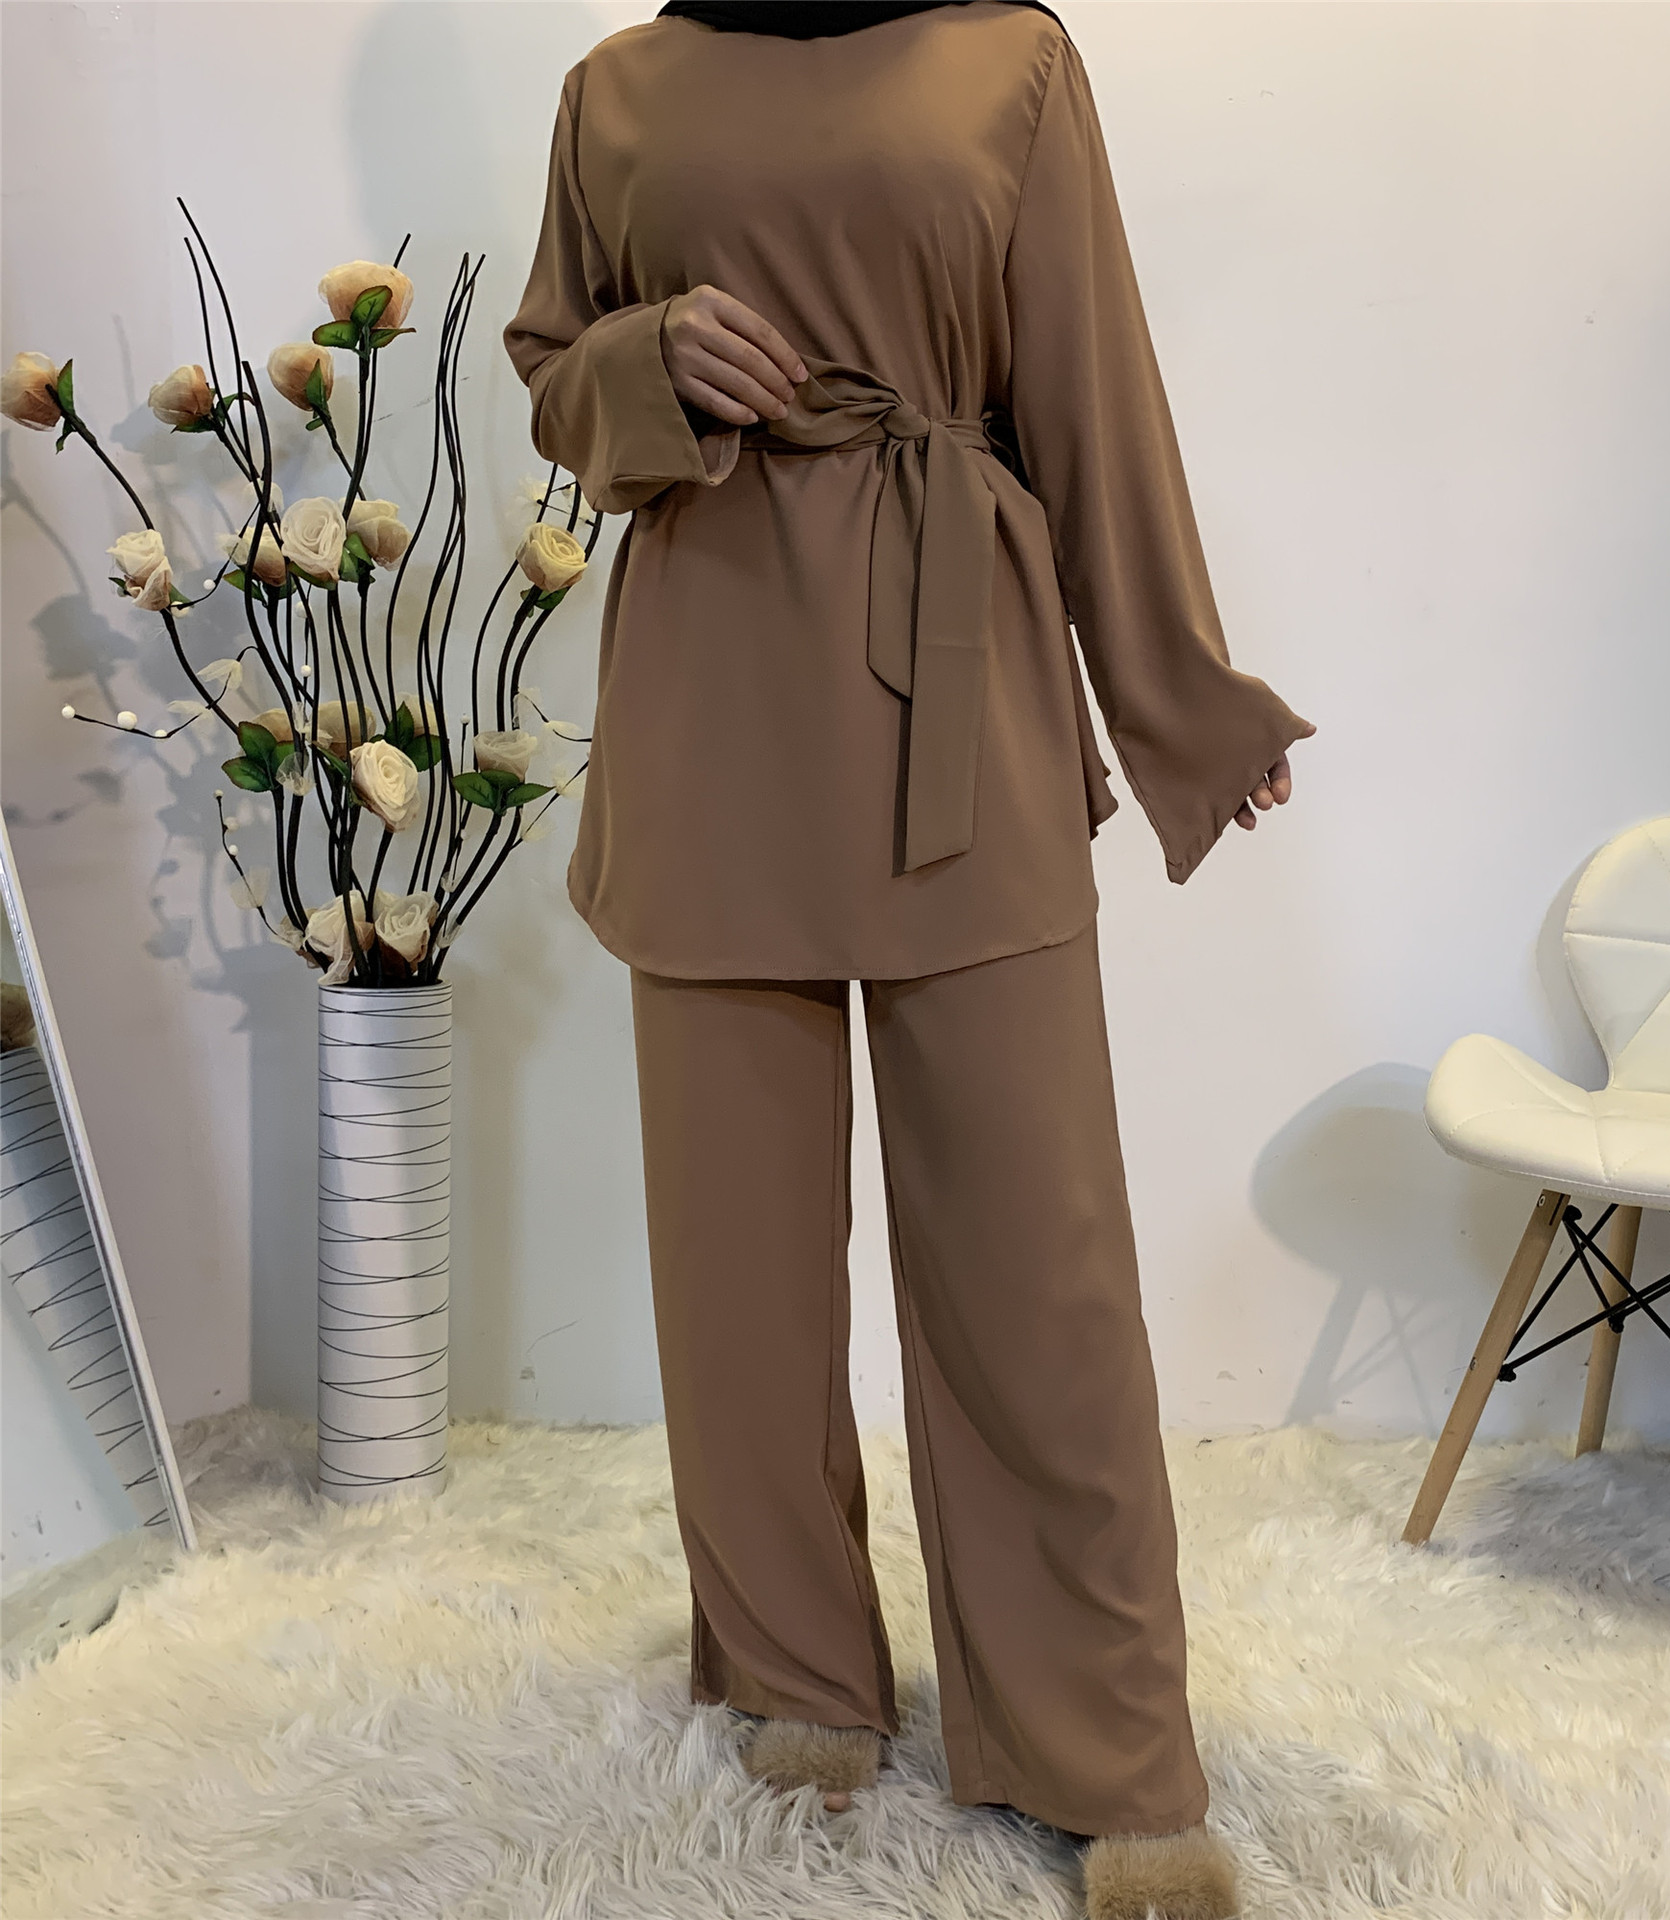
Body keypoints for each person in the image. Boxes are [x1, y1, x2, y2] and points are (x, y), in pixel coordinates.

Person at [502, 5, 1314, 1915]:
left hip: (965, 687)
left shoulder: (1008, 63)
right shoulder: (615, 88)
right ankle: (796, 1671)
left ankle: (1103, 1739)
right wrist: (640, 360)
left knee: (1040, 1261)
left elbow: (1095, 394)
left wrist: (1178, 696)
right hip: (713, 696)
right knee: (739, 1267)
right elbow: (551, 371)